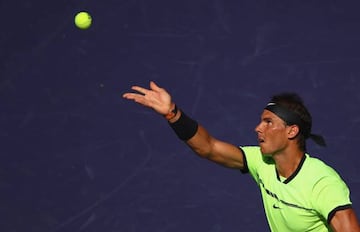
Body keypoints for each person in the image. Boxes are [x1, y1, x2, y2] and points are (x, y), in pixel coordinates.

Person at [123, 81, 360, 231]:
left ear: (292, 130)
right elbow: (209, 147)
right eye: (260, 121)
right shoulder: (263, 162)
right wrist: (172, 114)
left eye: (268, 122)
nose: (258, 128)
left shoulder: (321, 182)